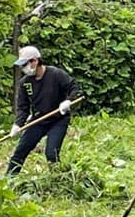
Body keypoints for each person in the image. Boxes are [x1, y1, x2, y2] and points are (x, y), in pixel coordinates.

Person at [6, 45, 82, 173]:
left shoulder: (56, 74)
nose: (23, 68)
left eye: (25, 65)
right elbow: (23, 107)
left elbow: (74, 87)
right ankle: (8, 182)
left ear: (35, 61)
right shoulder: (25, 83)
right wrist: (17, 124)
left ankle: (57, 180)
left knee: (51, 154)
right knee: (20, 152)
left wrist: (68, 101)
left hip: (58, 119)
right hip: (38, 120)